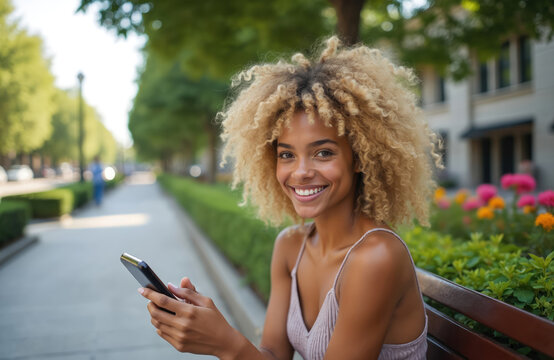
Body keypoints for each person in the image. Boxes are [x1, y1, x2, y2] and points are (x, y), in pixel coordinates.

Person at [138, 36, 442, 359]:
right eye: (286, 155)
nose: (300, 172)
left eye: (323, 153)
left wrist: (226, 343)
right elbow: (272, 353)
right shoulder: (290, 247)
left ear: (359, 158)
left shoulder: (376, 257)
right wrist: (214, 331)